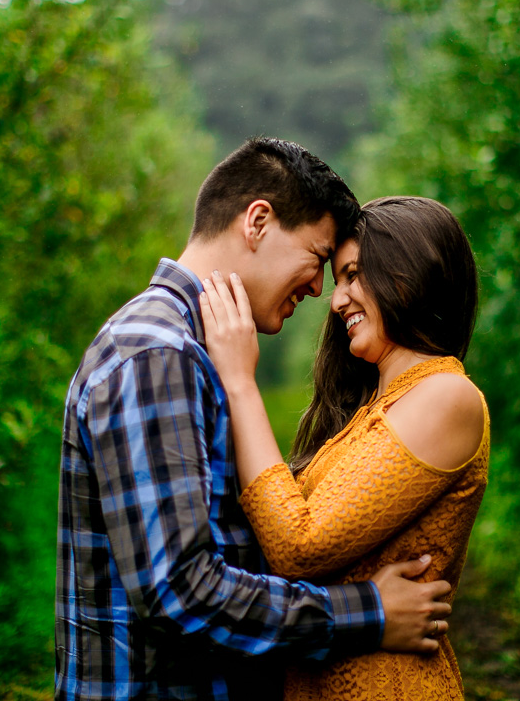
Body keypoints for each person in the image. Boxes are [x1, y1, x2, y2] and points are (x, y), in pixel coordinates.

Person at [56, 140, 454, 701]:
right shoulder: (154, 353)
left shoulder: (193, 352)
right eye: (317, 259)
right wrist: (367, 611)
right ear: (258, 222)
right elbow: (181, 591)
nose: (319, 289)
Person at [198, 196, 490, 700]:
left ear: (409, 271)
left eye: (354, 275)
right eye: (338, 281)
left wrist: (239, 381)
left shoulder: (446, 396)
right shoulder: (376, 406)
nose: (337, 301)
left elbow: (298, 546)